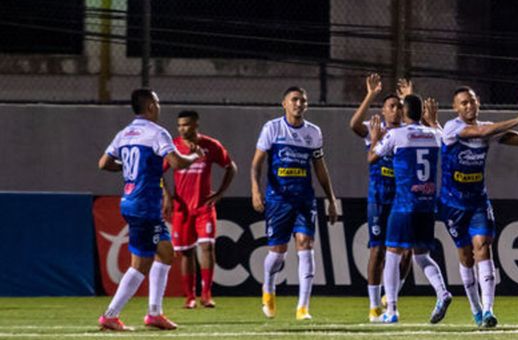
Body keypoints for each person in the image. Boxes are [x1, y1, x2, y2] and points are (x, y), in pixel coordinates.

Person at [97, 89, 199, 331]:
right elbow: (175, 163)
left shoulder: (124, 134)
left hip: (132, 201)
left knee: (166, 252)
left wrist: (132, 170)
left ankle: (154, 314)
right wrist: (194, 156)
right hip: (144, 205)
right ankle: (110, 315)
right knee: (140, 264)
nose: (159, 107)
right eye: (158, 102)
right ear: (151, 106)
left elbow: (104, 163)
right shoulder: (156, 133)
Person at [438, 88, 518, 328]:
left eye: (472, 101)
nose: (469, 106)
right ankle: (475, 308)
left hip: (478, 202)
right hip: (453, 204)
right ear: (456, 108)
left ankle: (489, 311)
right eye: (463, 103)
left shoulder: (488, 128)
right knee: (465, 256)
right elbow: (481, 132)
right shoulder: (452, 128)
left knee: (483, 247)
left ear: (478, 102)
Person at [251, 86, 339, 321]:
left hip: (304, 199)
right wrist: (255, 189)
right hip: (278, 199)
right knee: (278, 252)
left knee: (305, 243)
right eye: (294, 100)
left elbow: (320, 168)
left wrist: (331, 199)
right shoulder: (273, 128)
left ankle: (303, 307)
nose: (299, 104)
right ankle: (268, 287)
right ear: (284, 104)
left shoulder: (313, 133)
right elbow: (257, 163)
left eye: (303, 100)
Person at [368, 94, 451, 324]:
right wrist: (433, 122)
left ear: (404, 112)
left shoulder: (396, 135)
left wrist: (375, 138)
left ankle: (392, 310)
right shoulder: (435, 134)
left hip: (404, 204)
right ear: (422, 112)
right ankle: (442, 292)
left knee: (392, 254)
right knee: (422, 255)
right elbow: (449, 143)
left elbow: (372, 157)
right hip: (427, 204)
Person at [349, 73, 414, 322]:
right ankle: (375, 306)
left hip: (403, 199)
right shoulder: (375, 129)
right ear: (384, 111)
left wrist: (409, 97)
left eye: (399, 106)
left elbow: (426, 129)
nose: (396, 109)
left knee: (406, 251)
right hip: (379, 197)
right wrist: (370, 95)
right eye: (391, 106)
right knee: (377, 251)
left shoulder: (408, 131)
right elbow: (354, 125)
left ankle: (393, 293)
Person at [162, 110, 237, 309]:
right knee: (185, 253)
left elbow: (231, 167)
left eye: (186, 124)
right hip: (182, 209)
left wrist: (220, 193)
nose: (182, 128)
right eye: (180, 125)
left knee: (207, 247)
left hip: (204, 207)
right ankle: (190, 297)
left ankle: (206, 294)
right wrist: (167, 196)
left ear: (196, 125)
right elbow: (157, 173)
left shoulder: (211, 145)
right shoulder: (173, 146)